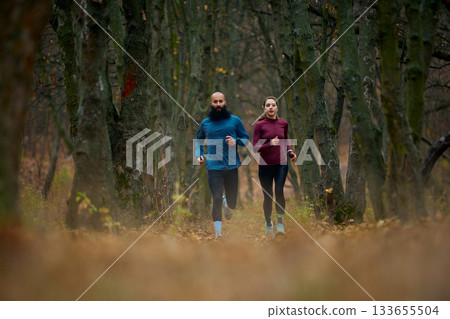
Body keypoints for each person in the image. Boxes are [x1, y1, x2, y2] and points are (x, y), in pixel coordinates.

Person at [195, 92, 249, 239]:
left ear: (225, 102)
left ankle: (228, 204)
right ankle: (218, 234)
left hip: (231, 166)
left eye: (220, 101)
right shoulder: (205, 123)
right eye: (215, 102)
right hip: (213, 167)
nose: (218, 104)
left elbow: (246, 139)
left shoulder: (235, 121)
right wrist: (198, 154)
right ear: (211, 104)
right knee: (217, 198)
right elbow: (198, 140)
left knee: (232, 201)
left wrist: (235, 140)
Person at [253, 96, 296, 238]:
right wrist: (270, 144)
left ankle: (280, 224)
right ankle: (268, 224)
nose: (271, 107)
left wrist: (290, 152)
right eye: (268, 105)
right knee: (268, 196)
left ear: (277, 107)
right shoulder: (259, 125)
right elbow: (255, 148)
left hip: (281, 164)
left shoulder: (284, 124)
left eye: (273, 105)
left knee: (279, 190)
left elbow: (286, 140)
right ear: (264, 108)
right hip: (265, 165)